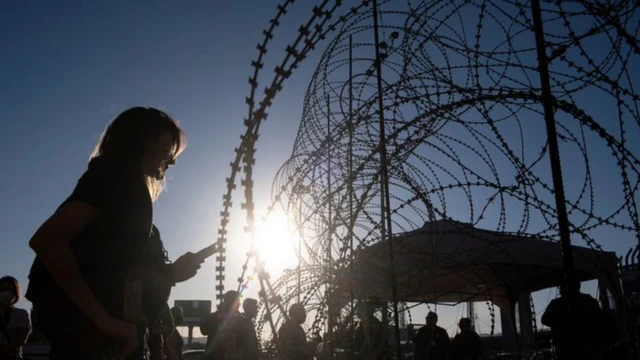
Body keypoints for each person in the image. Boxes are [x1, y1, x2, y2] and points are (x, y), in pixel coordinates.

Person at [25, 107, 203, 359]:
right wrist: (105, 321)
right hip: (95, 342)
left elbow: (115, 271)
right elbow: (48, 240)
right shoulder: (114, 178)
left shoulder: (127, 190)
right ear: (139, 144)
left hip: (111, 339)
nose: (171, 160)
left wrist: (170, 274)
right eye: (165, 149)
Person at [541, 284, 605, 360]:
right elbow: (600, 320)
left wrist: (559, 323)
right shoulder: (590, 300)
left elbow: (544, 320)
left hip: (564, 350)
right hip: (588, 349)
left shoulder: (555, 303)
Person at [200, 291, 242, 360]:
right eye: (237, 301)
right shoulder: (214, 317)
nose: (239, 304)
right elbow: (204, 330)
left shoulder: (239, 320)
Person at [0, 276, 31, 359]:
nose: (7, 292)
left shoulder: (21, 314)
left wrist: (6, 350)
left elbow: (22, 340)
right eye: (3, 289)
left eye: (11, 290)